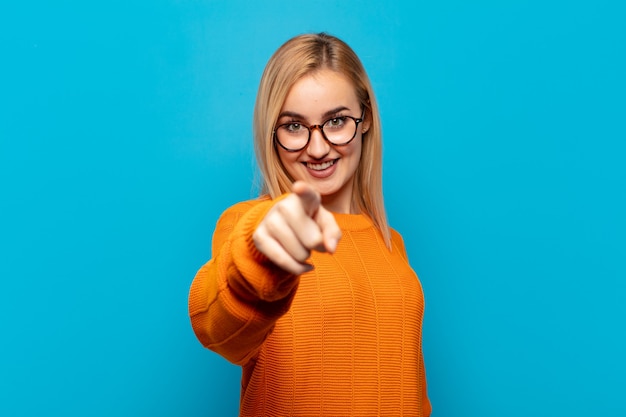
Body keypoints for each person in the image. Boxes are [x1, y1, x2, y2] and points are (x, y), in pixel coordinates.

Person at [188, 32, 431, 416]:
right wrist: (258, 256)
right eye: (294, 126)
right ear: (272, 133)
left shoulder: (391, 244)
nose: (318, 149)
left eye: (336, 121)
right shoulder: (250, 227)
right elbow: (219, 327)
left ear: (365, 119)